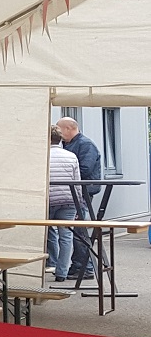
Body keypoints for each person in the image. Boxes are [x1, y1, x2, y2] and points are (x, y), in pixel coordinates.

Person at [56, 117, 101, 280]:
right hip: (76, 192)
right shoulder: (72, 144)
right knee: (76, 230)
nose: (58, 133)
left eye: (59, 129)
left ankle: (83, 267)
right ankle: (79, 266)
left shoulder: (85, 145)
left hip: (83, 193)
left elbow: (85, 170)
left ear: (68, 128)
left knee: (78, 231)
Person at [47, 126, 82, 283]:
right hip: (68, 200)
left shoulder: (43, 156)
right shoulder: (71, 156)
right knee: (66, 236)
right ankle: (62, 272)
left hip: (48, 200)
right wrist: (78, 204)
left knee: (47, 231)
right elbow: (77, 182)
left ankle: (51, 263)